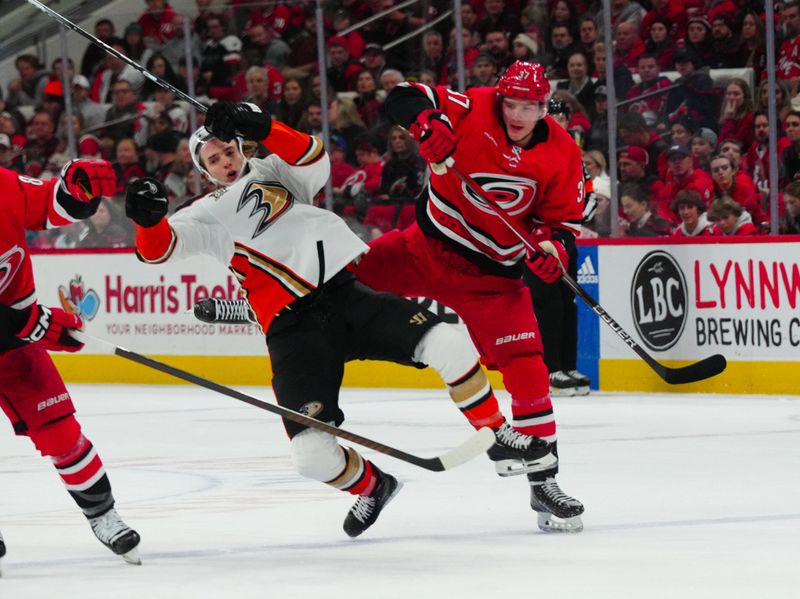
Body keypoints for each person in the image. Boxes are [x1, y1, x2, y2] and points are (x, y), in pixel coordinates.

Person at [124, 102, 554, 538]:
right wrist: (147, 219)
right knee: (311, 456)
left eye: (228, 151)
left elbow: (313, 156)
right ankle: (374, 486)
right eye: (213, 160)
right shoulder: (203, 213)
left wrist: (264, 125)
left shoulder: (275, 170)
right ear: (205, 172)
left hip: (345, 296)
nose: (225, 162)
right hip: (294, 334)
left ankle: (498, 436)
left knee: (448, 342)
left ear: (241, 148)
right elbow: (157, 250)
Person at [351, 61, 585, 533]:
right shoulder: (471, 106)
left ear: (546, 107)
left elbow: (562, 227)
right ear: (500, 98)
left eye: (530, 106)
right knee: (342, 276)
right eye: (512, 104)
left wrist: (551, 251)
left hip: (493, 281)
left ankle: (545, 481)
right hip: (423, 249)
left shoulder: (563, 153)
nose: (518, 115)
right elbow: (402, 93)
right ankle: (261, 308)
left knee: (530, 368)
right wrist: (426, 121)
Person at [0, 160, 140, 564]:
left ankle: (104, 515)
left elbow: (47, 205)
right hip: (20, 328)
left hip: (17, 344)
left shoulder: (3, 186)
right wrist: (34, 322)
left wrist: (76, 191)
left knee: (61, 431)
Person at [526, 97, 592, 396]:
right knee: (547, 303)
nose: (557, 121)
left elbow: (585, 196)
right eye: (551, 116)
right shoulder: (535, 149)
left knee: (569, 302)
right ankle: (550, 370)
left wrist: (568, 230)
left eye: (562, 116)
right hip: (537, 240)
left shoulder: (573, 154)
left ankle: (567, 365)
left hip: (564, 238)